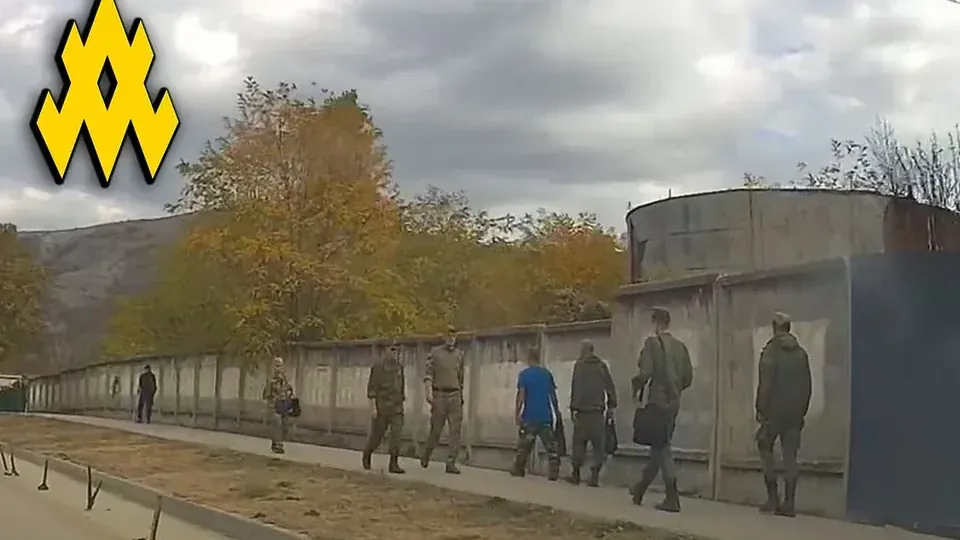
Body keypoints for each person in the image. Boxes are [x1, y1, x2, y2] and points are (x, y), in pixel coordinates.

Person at [629, 307, 693, 513]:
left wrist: (636, 385)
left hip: (657, 402)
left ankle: (672, 498)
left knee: (662, 447)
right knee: (658, 446)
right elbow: (687, 378)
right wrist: (674, 392)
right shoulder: (680, 347)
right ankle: (639, 489)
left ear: (655, 323)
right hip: (674, 404)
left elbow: (645, 372)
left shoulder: (652, 343)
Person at [755, 312, 812, 518]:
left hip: (773, 413)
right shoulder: (801, 353)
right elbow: (808, 386)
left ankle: (772, 498)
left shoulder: (771, 351)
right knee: (790, 457)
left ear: (774, 327)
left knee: (764, 445)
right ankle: (789, 504)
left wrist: (760, 410)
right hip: (795, 414)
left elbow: (765, 385)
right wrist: (801, 411)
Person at [567, 339, 617, 487]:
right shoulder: (601, 366)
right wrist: (611, 406)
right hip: (597, 413)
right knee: (598, 447)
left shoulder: (579, 366)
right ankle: (594, 476)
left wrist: (573, 408)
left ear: (585, 350)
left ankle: (575, 474)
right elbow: (610, 387)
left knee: (578, 445)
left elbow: (575, 387)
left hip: (582, 413)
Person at [511, 348, 561, 480]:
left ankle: (519, 469)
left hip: (530, 416)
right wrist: (557, 412)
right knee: (551, 447)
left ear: (529, 359)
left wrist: (517, 413)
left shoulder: (524, 375)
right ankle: (554, 473)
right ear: (539, 358)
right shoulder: (547, 374)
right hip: (545, 416)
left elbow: (521, 395)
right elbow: (553, 396)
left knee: (524, 447)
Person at [420, 326, 465, 474]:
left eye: (454, 335)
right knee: (436, 430)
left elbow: (461, 377)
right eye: (449, 335)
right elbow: (428, 374)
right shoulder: (435, 352)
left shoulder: (460, 354)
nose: (451, 338)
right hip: (439, 395)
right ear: (444, 337)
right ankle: (427, 453)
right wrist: (428, 393)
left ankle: (451, 462)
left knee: (455, 431)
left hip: (455, 395)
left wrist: (461, 396)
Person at [363, 343, 406, 474]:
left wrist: (402, 401)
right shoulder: (378, 367)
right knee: (377, 436)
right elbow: (372, 389)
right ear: (386, 351)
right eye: (392, 350)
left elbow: (401, 387)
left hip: (397, 408)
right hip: (382, 407)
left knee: (396, 436)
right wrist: (373, 409)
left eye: (397, 350)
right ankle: (367, 453)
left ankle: (393, 464)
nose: (394, 353)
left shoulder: (399, 367)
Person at [262, 357, 294, 454]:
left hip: (283, 403)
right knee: (277, 423)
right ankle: (278, 445)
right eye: (276, 365)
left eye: (280, 365)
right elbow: (267, 392)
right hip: (274, 404)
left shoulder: (284, 377)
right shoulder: (271, 379)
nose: (278, 368)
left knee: (283, 425)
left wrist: (289, 395)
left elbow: (288, 389)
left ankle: (276, 443)